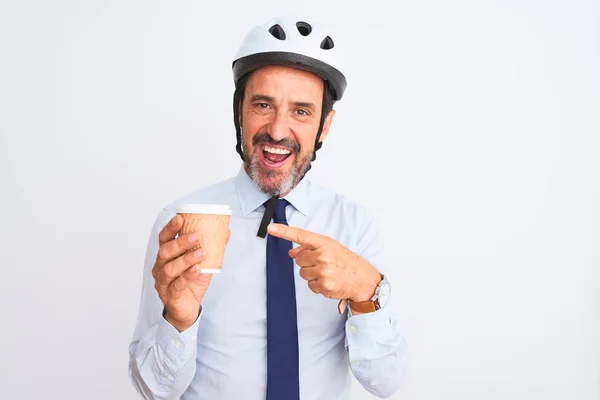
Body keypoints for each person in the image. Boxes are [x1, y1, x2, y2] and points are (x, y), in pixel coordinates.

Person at [128, 15, 407, 400]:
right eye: (263, 104)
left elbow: (386, 381)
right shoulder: (181, 222)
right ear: (239, 111)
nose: (277, 130)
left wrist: (366, 293)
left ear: (324, 126)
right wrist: (178, 318)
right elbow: (152, 390)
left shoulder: (354, 226)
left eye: (301, 111)